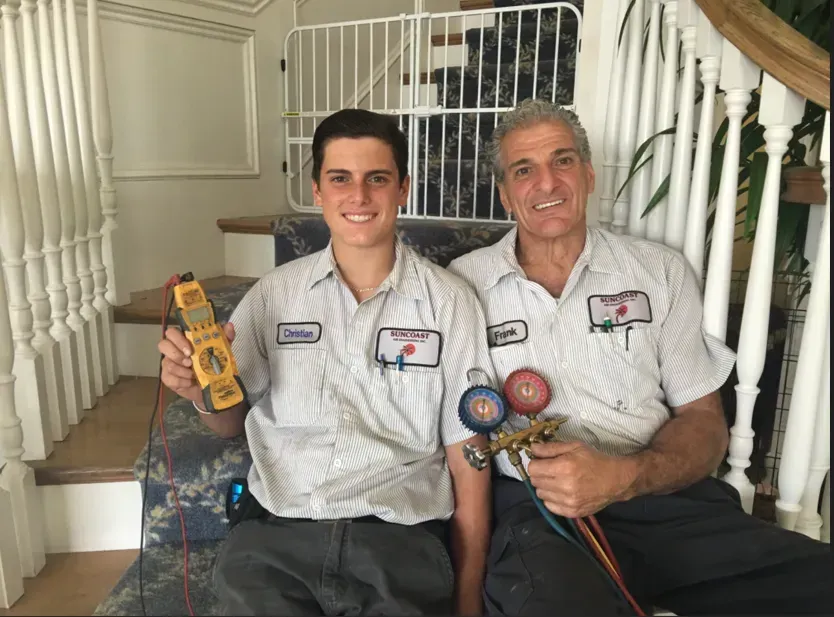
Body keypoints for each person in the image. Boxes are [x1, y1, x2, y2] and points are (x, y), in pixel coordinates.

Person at [447, 98, 832, 616]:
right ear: (505, 196)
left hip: (664, 501)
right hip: (542, 517)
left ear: (587, 175)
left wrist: (622, 477)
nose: (547, 183)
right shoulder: (463, 284)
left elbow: (703, 422)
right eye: (524, 170)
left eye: (562, 161)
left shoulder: (658, 272)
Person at [158, 108, 494, 616]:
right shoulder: (273, 295)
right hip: (276, 533)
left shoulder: (451, 303)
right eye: (340, 179)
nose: (358, 197)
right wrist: (197, 391)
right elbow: (228, 422)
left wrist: (469, 595)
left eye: (376, 179)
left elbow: (468, 456)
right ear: (317, 190)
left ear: (402, 188)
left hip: (398, 539)